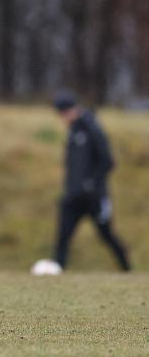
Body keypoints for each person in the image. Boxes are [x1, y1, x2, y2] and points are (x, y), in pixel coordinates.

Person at [52, 91, 131, 271]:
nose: (62, 118)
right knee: (63, 234)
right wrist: (71, 187)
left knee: (106, 234)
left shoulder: (92, 128)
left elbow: (107, 161)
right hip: (73, 195)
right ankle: (57, 270)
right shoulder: (73, 131)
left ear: (72, 110)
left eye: (63, 113)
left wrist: (91, 183)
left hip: (94, 196)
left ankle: (127, 268)